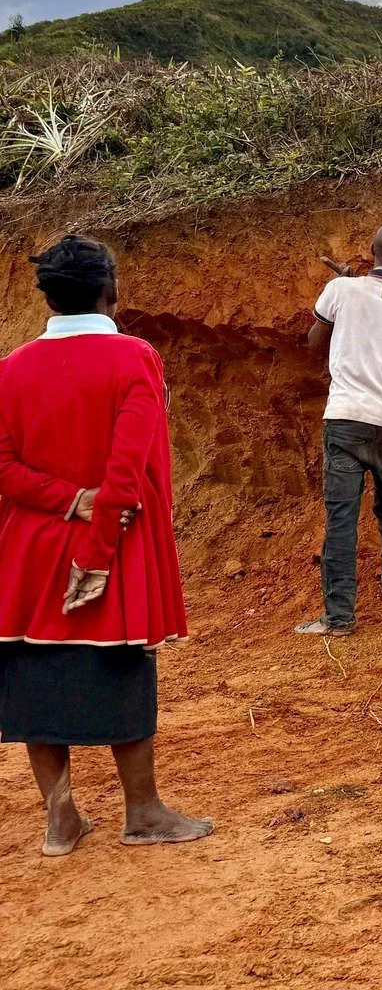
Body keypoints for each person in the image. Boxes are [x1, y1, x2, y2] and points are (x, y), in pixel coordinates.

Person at [0, 235, 211, 855]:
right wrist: (93, 544)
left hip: (29, 551)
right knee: (122, 668)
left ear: (47, 296)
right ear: (109, 290)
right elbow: (127, 468)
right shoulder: (134, 358)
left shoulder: (10, 369)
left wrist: (64, 498)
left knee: (36, 672)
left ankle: (60, 820)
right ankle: (142, 813)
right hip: (111, 543)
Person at [297, 224, 382, 636]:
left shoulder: (341, 290)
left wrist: (341, 293)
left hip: (346, 417)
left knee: (342, 517)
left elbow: (313, 343)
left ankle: (338, 617)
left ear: (370, 251)